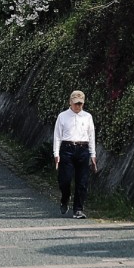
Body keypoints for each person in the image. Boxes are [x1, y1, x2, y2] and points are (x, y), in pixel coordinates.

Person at [54, 90, 97, 219]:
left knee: (82, 181)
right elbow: (57, 136)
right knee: (65, 179)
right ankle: (65, 198)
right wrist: (56, 154)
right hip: (67, 148)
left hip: (83, 148)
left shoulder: (87, 117)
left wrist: (93, 154)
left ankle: (78, 209)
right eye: (76, 104)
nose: (78, 106)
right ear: (70, 102)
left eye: (80, 104)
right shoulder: (62, 116)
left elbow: (91, 136)